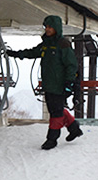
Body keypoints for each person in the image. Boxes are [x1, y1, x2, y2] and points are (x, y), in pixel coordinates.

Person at [6, 15, 83, 150]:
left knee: (56, 112)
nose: (47, 29)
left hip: (59, 85)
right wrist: (16, 54)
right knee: (56, 108)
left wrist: (69, 83)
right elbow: (32, 52)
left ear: (56, 28)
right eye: (46, 27)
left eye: (50, 27)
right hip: (49, 84)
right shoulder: (46, 44)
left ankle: (52, 139)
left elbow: (71, 65)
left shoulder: (63, 45)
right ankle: (74, 128)